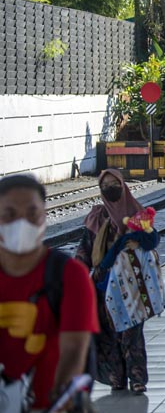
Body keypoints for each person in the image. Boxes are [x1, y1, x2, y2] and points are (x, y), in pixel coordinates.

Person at [0, 175, 98, 410]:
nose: (22, 223)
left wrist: (57, 400)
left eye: (32, 213)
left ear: (44, 217)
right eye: (10, 215)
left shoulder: (69, 275)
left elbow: (74, 349)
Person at [76, 169, 155, 393]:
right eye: (106, 186)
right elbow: (84, 252)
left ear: (123, 185)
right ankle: (116, 377)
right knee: (109, 335)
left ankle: (137, 378)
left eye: (114, 184)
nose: (111, 189)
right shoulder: (96, 219)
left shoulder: (138, 214)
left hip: (132, 286)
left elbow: (151, 242)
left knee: (132, 334)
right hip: (104, 288)